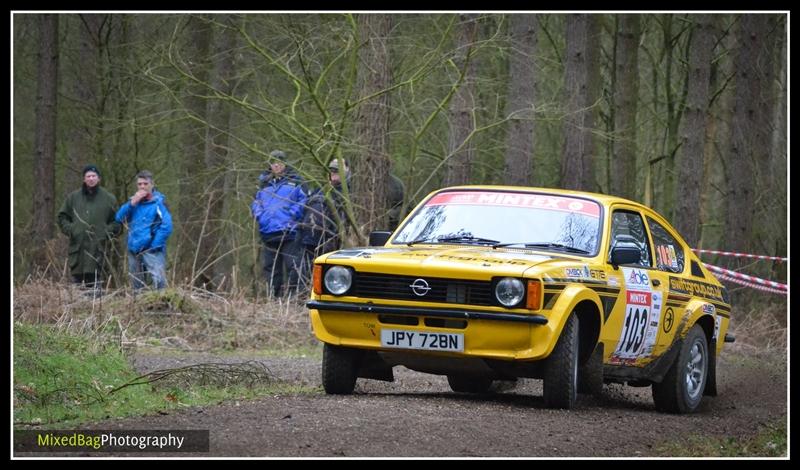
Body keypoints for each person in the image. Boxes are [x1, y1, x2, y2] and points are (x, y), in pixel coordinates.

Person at [56, 164, 121, 293]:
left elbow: (117, 222)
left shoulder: (109, 198)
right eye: (88, 176)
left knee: (96, 289)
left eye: (94, 176)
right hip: (78, 250)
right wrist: (72, 229)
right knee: (77, 289)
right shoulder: (73, 198)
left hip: (99, 250)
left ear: (99, 178)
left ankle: (96, 309)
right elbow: (62, 217)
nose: (91, 179)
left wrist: (106, 232)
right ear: (84, 179)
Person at [251, 149, 307, 296]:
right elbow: (257, 202)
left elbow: (303, 201)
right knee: (271, 268)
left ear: (284, 164)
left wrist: (292, 215)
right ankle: (273, 299)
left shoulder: (295, 181)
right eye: (274, 163)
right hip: (268, 231)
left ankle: (293, 298)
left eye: (279, 163)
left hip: (289, 231)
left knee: (292, 266)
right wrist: (260, 216)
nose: (276, 166)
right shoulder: (264, 183)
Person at [294, 158, 350, 289]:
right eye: (332, 171)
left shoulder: (347, 192)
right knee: (303, 271)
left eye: (337, 171)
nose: (334, 174)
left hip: (329, 241)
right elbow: (305, 208)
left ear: (346, 170)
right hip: (308, 238)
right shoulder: (320, 189)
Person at [115, 170, 173, 290]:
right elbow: (119, 218)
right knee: (136, 283)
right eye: (139, 184)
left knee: (158, 282)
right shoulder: (133, 203)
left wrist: (154, 245)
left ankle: (162, 306)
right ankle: (137, 307)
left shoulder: (159, 203)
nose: (142, 187)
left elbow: (167, 226)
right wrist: (131, 204)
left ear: (152, 185)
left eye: (145, 184)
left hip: (152, 249)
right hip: (134, 248)